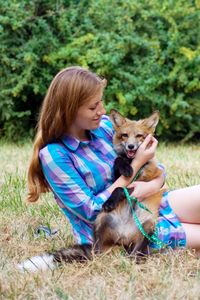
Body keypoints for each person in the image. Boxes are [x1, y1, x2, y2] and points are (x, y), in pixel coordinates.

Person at [27, 66, 200, 252]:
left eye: (100, 102)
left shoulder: (105, 128)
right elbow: (92, 211)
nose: (102, 111)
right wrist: (137, 164)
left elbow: (157, 173)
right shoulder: (55, 156)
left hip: (151, 202)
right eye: (93, 107)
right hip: (121, 228)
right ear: (69, 110)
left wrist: (151, 184)